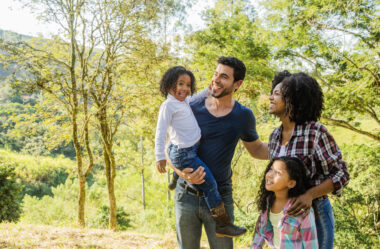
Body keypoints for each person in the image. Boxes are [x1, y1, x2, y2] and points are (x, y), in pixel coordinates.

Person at [161, 56, 268, 249]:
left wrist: (287, 148)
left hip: (221, 197)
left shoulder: (243, 116)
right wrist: (180, 173)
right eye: (215, 74)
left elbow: (257, 149)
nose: (216, 79)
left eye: (224, 76)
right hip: (186, 196)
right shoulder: (191, 108)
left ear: (238, 84)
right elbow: (169, 145)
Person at [155, 65, 247, 237]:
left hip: (190, 149)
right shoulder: (168, 106)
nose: (185, 88)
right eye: (180, 84)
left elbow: (196, 96)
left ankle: (175, 179)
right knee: (210, 184)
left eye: (188, 85)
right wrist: (160, 156)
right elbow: (160, 132)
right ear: (169, 86)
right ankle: (222, 224)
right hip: (183, 153)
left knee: (191, 161)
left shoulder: (183, 102)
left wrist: (208, 90)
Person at [268, 71, 350, 249]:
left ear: (292, 99)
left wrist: (309, 195)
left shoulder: (315, 132)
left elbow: (342, 173)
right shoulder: (274, 136)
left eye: (276, 93)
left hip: (315, 214)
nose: (270, 98)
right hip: (283, 216)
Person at [251, 157, 319, 249]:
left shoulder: (302, 210)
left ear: (291, 183)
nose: (270, 175)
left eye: (278, 173)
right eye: (271, 169)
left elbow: (311, 245)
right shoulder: (268, 202)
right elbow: (261, 232)